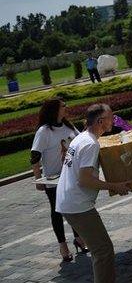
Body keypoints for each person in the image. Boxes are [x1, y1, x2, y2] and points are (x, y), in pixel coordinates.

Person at [55, 103, 132, 283]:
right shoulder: (90, 144)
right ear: (100, 121)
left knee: (101, 249)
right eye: (110, 117)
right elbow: (85, 180)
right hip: (77, 205)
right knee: (103, 251)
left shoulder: (81, 138)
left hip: (70, 201)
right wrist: (115, 186)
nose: (113, 120)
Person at [30, 98, 86, 262]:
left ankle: (79, 239)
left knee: (75, 208)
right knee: (57, 212)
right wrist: (38, 179)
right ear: (54, 110)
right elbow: (35, 155)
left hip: (71, 176)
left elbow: (80, 140)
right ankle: (63, 246)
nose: (66, 108)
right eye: (63, 106)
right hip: (53, 180)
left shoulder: (68, 126)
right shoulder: (45, 131)